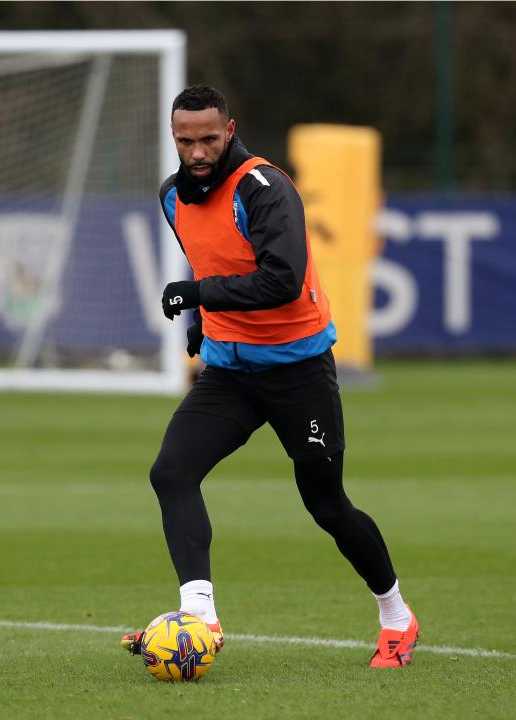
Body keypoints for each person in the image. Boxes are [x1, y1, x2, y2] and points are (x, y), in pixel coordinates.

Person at [120, 85, 419, 668]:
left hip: (297, 371)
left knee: (326, 504)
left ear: (230, 131)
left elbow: (281, 280)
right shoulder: (172, 196)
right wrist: (203, 324)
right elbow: (216, 261)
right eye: (185, 140)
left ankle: (397, 616)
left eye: (209, 139)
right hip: (231, 371)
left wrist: (199, 295)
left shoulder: (264, 188)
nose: (197, 151)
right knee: (171, 472)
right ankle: (200, 618)